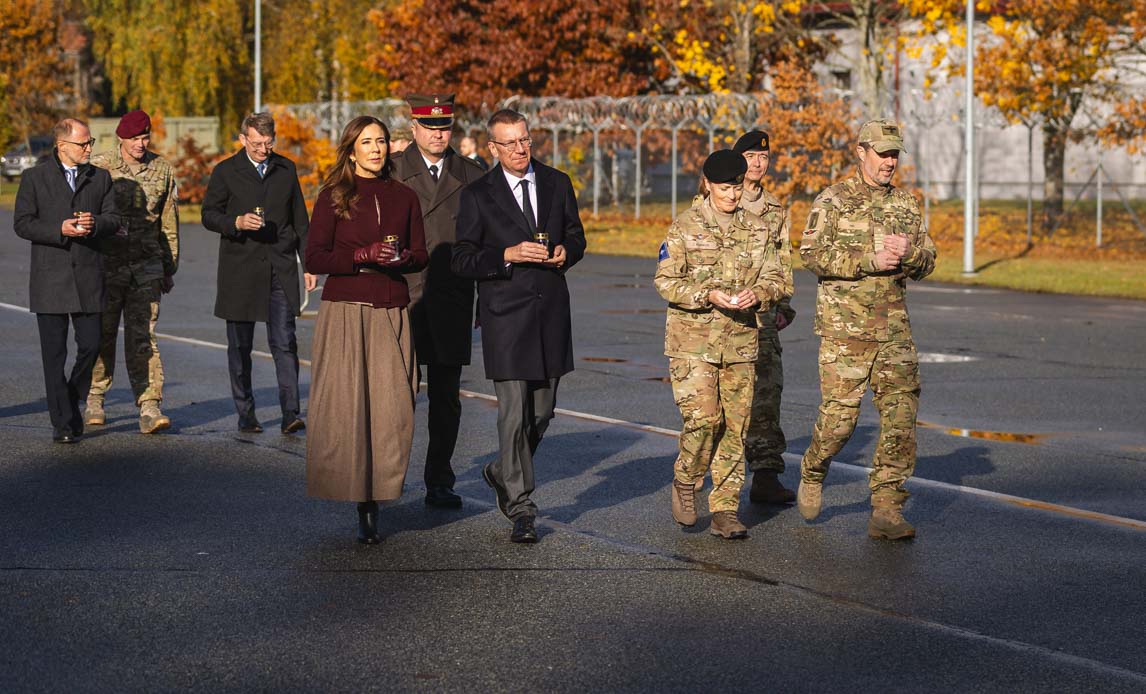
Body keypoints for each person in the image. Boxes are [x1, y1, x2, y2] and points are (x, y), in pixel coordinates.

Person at [451, 108, 587, 544]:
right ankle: (522, 506)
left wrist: (567, 250)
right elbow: (462, 259)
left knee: (541, 412)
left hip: (549, 314)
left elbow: (577, 235)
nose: (520, 149)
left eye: (525, 139)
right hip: (505, 316)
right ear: (493, 147)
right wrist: (506, 255)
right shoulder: (478, 195)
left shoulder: (556, 182)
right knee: (513, 414)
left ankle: (499, 469)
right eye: (509, 143)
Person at [797, 119, 937, 540]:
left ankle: (887, 508)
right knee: (840, 421)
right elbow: (811, 254)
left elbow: (928, 260)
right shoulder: (833, 200)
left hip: (894, 328)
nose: (889, 162)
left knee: (900, 418)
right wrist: (866, 260)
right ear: (861, 152)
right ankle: (813, 467)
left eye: (895, 154)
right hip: (847, 331)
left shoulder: (907, 205)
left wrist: (911, 253)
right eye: (883, 154)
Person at [654, 150, 791, 539]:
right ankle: (686, 478)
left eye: (736, 187)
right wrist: (706, 294)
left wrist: (759, 294)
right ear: (708, 185)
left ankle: (725, 510)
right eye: (724, 187)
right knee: (704, 421)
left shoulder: (758, 229)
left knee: (735, 426)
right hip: (692, 342)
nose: (732, 195)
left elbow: (777, 279)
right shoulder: (684, 227)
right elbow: (666, 281)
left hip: (741, 341)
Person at [304, 115, 428, 544]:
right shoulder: (333, 196)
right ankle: (364, 503)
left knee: (395, 408)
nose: (376, 149)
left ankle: (383, 487)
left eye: (381, 141)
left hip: (391, 308)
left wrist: (401, 259)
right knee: (349, 408)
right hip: (346, 310)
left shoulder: (405, 197)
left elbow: (421, 253)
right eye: (367, 142)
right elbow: (315, 258)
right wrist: (361, 255)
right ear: (351, 149)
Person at [390, 94, 486, 509]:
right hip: (401, 296)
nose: (437, 134)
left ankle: (439, 479)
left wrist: (486, 297)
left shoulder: (472, 173)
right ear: (413, 128)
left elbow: (486, 237)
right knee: (396, 395)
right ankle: (386, 478)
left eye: (444, 127)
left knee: (445, 398)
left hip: (451, 296)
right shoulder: (391, 170)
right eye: (429, 127)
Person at [201, 112, 317, 434]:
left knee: (285, 342)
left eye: (269, 143)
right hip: (240, 271)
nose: (264, 150)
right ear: (243, 140)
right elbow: (208, 214)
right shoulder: (225, 172)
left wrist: (308, 265)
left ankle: (290, 413)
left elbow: (300, 222)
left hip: (279, 269)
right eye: (257, 144)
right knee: (240, 347)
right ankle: (246, 413)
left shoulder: (286, 168)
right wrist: (235, 222)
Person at [13, 118, 119, 443]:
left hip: (89, 277)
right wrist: (59, 229)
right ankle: (63, 423)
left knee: (90, 345)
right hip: (50, 280)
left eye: (90, 143)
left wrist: (96, 223)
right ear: (62, 146)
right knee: (54, 355)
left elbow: (114, 219)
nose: (89, 148)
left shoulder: (100, 178)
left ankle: (69, 398)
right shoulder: (35, 178)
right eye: (83, 143)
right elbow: (23, 223)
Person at [86, 110, 179, 434]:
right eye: (134, 138)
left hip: (146, 266)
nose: (141, 144)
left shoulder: (162, 169)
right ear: (121, 138)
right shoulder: (99, 167)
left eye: (145, 137)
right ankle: (95, 397)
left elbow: (168, 222)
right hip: (107, 267)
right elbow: (86, 214)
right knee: (102, 333)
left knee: (143, 336)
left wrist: (169, 267)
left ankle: (150, 406)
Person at [732, 130, 798, 504]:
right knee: (726, 400)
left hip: (764, 314)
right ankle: (712, 476)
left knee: (768, 393)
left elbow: (783, 261)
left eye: (763, 157)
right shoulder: (722, 198)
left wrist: (783, 305)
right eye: (751, 156)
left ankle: (765, 474)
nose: (757, 163)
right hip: (728, 313)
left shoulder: (774, 208)